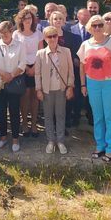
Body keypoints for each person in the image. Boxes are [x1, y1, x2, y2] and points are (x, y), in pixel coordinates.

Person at [78, 15, 111, 162]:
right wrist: (83, 84)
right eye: (94, 26)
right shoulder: (85, 44)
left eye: (99, 25)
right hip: (92, 84)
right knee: (97, 116)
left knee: (110, 117)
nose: (97, 28)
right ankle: (100, 146)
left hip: (109, 83)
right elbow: (82, 66)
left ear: (103, 26)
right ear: (90, 28)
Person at [35, 26, 75, 154]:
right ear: (45, 39)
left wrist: (70, 86)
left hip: (61, 88)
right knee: (48, 116)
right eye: (49, 36)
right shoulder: (40, 54)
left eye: (54, 36)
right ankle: (51, 141)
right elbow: (37, 73)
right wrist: (38, 89)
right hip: (47, 89)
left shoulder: (66, 51)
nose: (52, 39)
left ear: (58, 37)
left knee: (60, 115)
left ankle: (60, 141)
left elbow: (71, 71)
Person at [0, 21, 26, 152]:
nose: (3, 35)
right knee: (0, 112)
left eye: (6, 33)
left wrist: (11, 75)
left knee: (14, 112)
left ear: (11, 31)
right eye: (1, 33)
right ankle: (3, 137)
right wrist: (3, 74)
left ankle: (15, 139)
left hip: (14, 84)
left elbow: (22, 65)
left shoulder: (20, 45)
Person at [13, 8, 43, 137]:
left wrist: (35, 67)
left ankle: (34, 124)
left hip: (36, 66)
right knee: (24, 97)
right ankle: (24, 123)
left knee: (35, 97)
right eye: (25, 18)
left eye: (29, 18)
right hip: (21, 68)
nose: (27, 21)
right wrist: (25, 68)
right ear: (21, 20)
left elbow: (41, 52)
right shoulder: (16, 34)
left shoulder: (38, 33)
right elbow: (15, 53)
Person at [49, 10, 82, 127]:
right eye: (55, 18)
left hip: (67, 72)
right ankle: (54, 124)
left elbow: (75, 55)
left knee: (68, 98)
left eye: (60, 18)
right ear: (50, 21)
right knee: (53, 100)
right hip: (51, 73)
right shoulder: (46, 36)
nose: (58, 20)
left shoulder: (72, 37)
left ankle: (65, 122)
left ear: (64, 21)